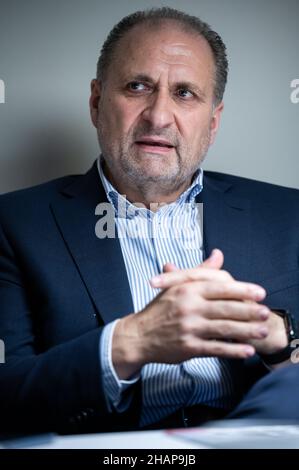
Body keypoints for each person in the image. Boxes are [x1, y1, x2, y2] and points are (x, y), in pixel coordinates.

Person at [0, 7, 299, 436]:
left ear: (212, 123)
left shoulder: (289, 216)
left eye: (184, 94)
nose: (158, 116)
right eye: (138, 86)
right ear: (97, 102)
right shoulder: (13, 224)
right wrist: (131, 342)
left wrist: (279, 340)